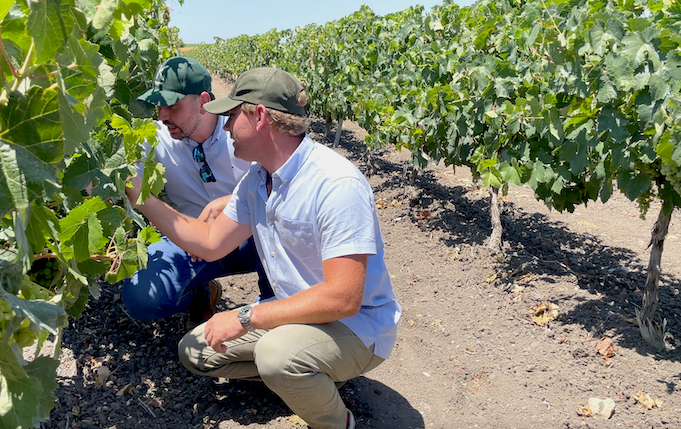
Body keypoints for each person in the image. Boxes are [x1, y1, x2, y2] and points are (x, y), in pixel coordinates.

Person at [125, 67, 401, 429]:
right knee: (195, 351)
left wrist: (244, 318)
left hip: (356, 326)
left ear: (260, 117)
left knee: (277, 356)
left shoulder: (336, 184)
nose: (224, 128)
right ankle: (302, 375)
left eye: (231, 116)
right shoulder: (257, 179)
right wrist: (140, 196)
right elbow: (210, 243)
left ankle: (338, 422)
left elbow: (343, 299)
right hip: (295, 313)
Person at [125, 56, 272, 329]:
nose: (161, 115)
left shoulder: (242, 132)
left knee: (290, 237)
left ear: (204, 101)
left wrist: (231, 204)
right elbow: (123, 174)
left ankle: (271, 310)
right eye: (158, 106)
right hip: (194, 244)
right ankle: (202, 294)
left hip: (255, 237)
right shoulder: (154, 137)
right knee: (141, 296)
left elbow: (282, 184)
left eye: (172, 106)